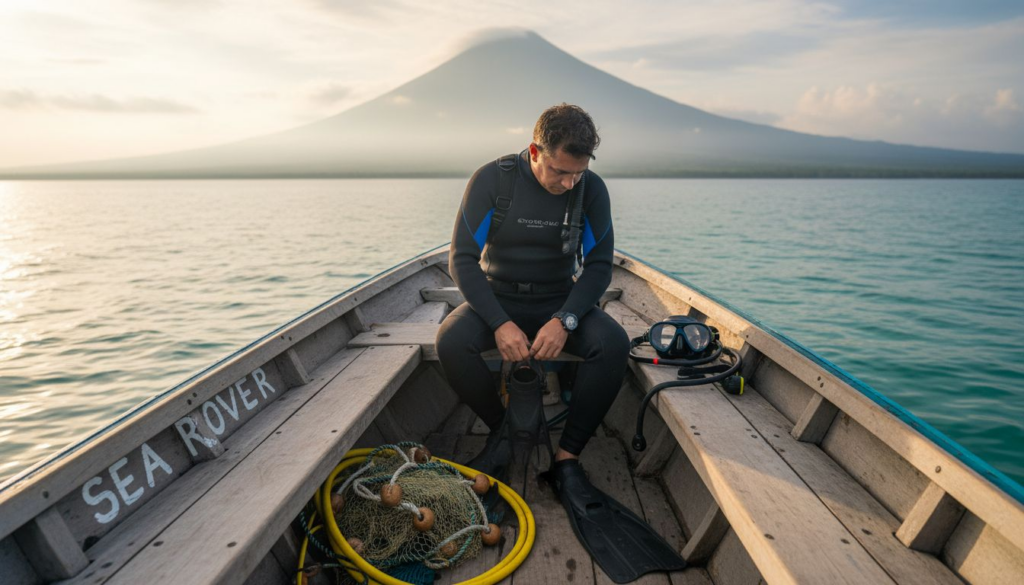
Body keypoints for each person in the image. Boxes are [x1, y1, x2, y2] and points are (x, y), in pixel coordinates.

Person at [435, 103, 630, 473]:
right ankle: (504, 432)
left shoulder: (591, 190)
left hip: (559, 296)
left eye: (578, 173)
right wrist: (498, 322)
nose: (569, 183)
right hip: (498, 296)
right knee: (450, 341)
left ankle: (568, 455)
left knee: (613, 343)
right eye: (560, 171)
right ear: (535, 151)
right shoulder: (492, 180)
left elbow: (600, 266)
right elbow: (461, 259)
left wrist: (566, 319)